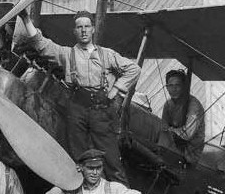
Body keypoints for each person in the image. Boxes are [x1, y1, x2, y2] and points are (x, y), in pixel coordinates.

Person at [16, 10, 140, 183]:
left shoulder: (107, 55)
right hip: (76, 108)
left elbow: (134, 69)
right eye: (79, 27)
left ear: (93, 29)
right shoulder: (67, 54)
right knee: (78, 158)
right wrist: (26, 18)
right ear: (74, 31)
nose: (83, 30)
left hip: (100, 110)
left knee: (111, 159)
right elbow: (40, 43)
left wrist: (116, 90)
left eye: (87, 26)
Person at [160, 69, 205, 164]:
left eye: (177, 85)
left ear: (184, 87)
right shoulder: (168, 104)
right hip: (173, 146)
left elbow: (187, 135)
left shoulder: (194, 106)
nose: (174, 89)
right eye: (170, 86)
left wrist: (169, 130)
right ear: (167, 88)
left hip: (191, 153)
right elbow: (163, 128)